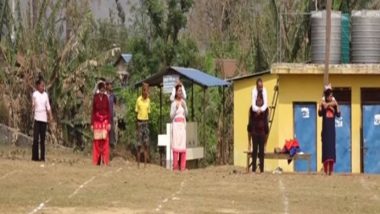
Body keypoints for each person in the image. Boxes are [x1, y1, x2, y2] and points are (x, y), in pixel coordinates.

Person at [318, 88, 340, 175]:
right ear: (327, 97)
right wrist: (321, 105)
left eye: (332, 96)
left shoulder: (333, 105)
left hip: (332, 132)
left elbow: (338, 113)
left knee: (331, 151)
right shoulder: (324, 105)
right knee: (325, 151)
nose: (332, 97)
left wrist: (335, 105)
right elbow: (320, 113)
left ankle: (331, 170)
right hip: (325, 132)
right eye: (330, 96)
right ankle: (325, 170)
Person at [32, 78, 52, 162]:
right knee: (36, 138)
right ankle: (35, 157)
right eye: (41, 85)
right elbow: (33, 105)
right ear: (38, 86)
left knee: (42, 139)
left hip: (44, 119)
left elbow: (48, 106)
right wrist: (33, 107)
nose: (43, 87)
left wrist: (50, 116)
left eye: (44, 85)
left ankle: (42, 157)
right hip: (37, 118)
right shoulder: (35, 94)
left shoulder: (45, 95)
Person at [91, 81, 110, 166]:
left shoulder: (106, 98)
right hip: (97, 122)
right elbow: (93, 111)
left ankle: (105, 160)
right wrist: (91, 124)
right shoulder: (95, 98)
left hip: (105, 122)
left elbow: (109, 111)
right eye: (101, 89)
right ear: (99, 89)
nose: (102, 91)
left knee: (104, 141)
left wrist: (109, 123)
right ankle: (97, 160)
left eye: (103, 89)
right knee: (97, 141)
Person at [170, 84, 188, 171]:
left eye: (181, 91)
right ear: (176, 92)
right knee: (176, 145)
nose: (180, 92)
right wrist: (175, 109)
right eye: (179, 91)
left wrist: (184, 107)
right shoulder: (173, 103)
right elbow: (171, 116)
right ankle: (175, 167)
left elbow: (186, 114)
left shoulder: (184, 102)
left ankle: (183, 167)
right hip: (176, 126)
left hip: (182, 126)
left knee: (182, 146)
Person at [250, 94, 268, 173]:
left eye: (260, 99)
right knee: (254, 151)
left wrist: (266, 131)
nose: (259, 101)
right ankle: (253, 169)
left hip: (262, 133)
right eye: (257, 99)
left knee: (261, 151)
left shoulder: (265, 109)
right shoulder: (252, 108)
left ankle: (262, 169)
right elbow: (250, 120)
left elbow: (266, 121)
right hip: (254, 132)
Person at [135, 83, 151, 168]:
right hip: (140, 122)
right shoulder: (138, 100)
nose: (146, 92)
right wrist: (137, 125)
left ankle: (145, 164)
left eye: (147, 90)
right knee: (139, 144)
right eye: (145, 90)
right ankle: (138, 164)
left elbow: (149, 112)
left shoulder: (148, 100)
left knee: (146, 143)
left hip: (146, 122)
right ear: (142, 90)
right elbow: (136, 112)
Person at [106, 81, 117, 148]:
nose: (111, 87)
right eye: (109, 85)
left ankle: (111, 144)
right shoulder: (104, 95)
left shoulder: (113, 95)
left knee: (112, 130)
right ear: (106, 86)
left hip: (111, 115)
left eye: (111, 85)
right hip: (104, 115)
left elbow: (115, 103)